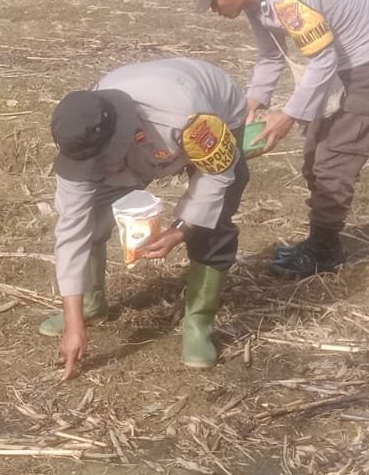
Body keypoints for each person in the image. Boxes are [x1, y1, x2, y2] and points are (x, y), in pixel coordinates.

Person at [187, 0, 369, 278]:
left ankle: (324, 251)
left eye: (213, 1)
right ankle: (321, 241)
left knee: (335, 159)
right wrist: (251, 104)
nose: (213, 10)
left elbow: (323, 60)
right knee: (314, 154)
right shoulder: (257, 5)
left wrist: (288, 115)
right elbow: (271, 57)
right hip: (340, 61)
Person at [43, 58, 250, 379]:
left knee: (214, 221)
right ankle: (91, 303)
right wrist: (73, 324)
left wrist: (181, 229)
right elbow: (71, 231)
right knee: (91, 215)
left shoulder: (188, 117)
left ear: (122, 139)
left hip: (215, 112)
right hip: (144, 138)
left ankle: (199, 322)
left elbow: (218, 174)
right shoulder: (81, 135)